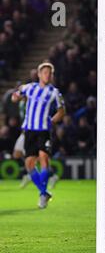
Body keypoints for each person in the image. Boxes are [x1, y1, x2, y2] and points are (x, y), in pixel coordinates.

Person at [12, 62, 65, 209]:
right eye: (45, 72)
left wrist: (52, 121)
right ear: (39, 74)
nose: (47, 75)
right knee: (29, 164)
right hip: (29, 131)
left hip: (43, 131)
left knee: (44, 158)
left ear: (51, 75)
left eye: (49, 73)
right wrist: (15, 97)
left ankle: (42, 196)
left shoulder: (54, 92)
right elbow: (15, 96)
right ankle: (44, 192)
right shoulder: (29, 87)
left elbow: (61, 111)